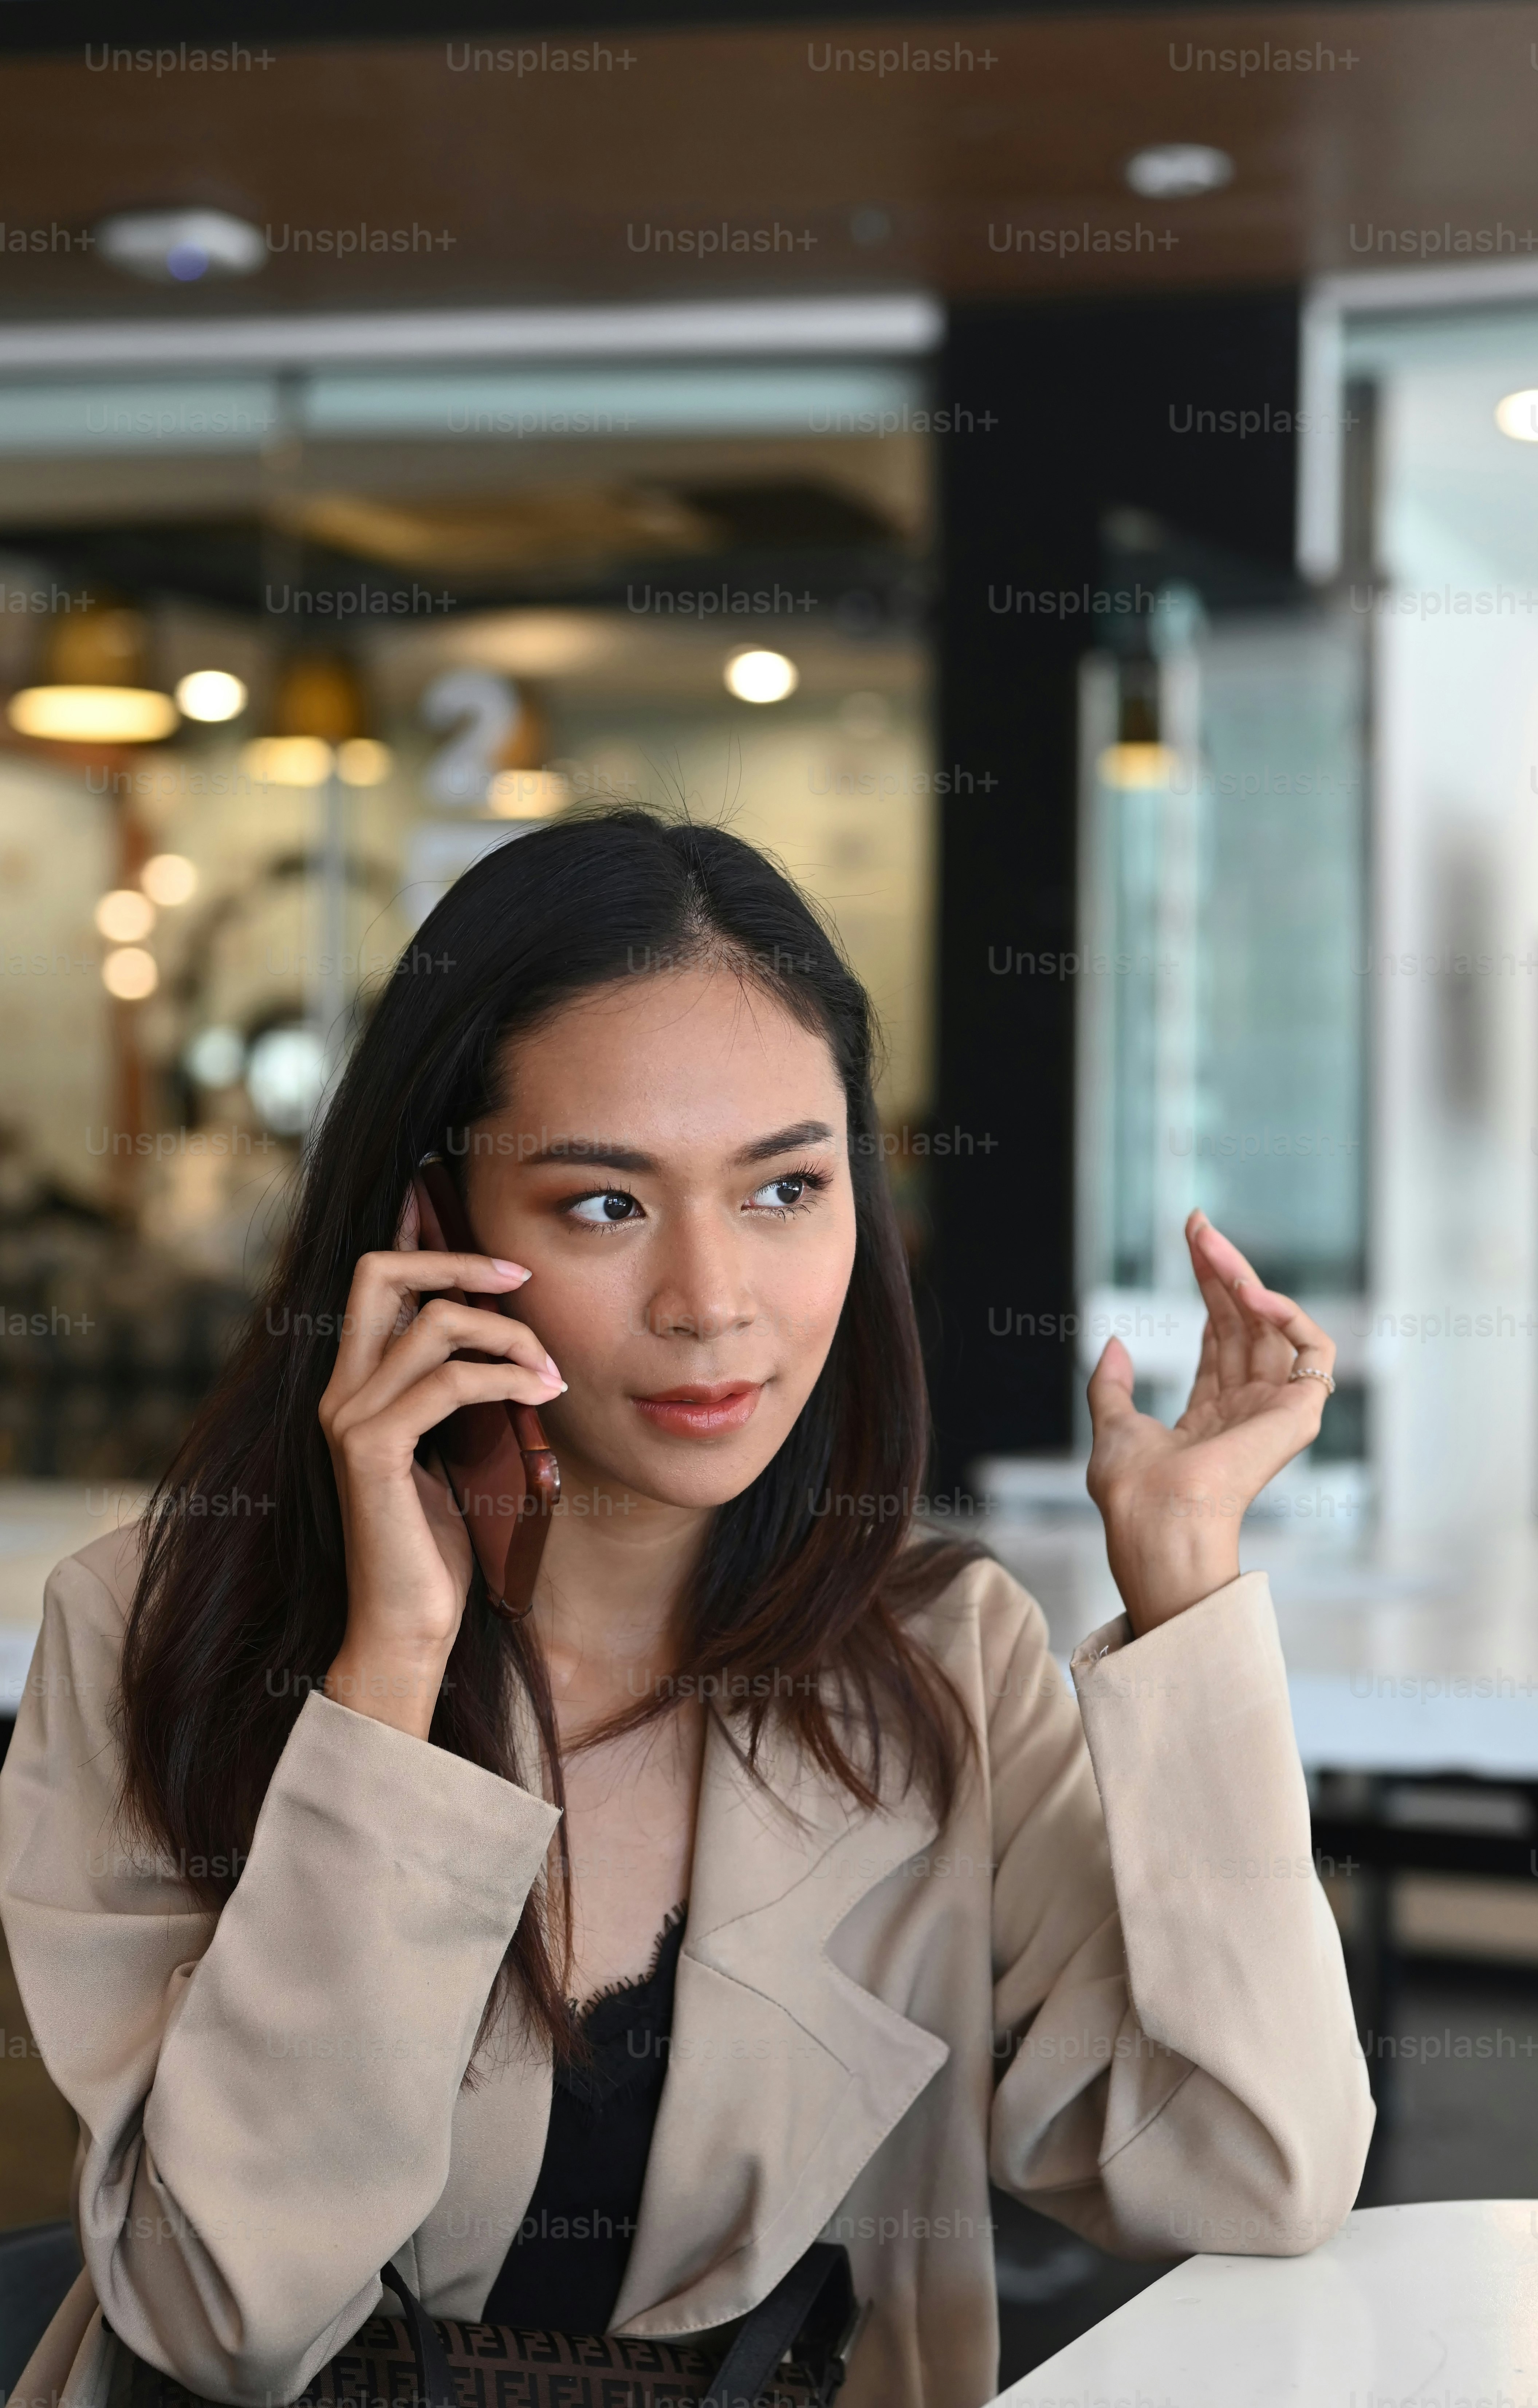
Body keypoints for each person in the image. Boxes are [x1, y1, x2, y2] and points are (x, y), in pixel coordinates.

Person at [0, 811, 1372, 2408]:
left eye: (786, 1189)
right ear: (427, 1232)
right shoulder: (158, 1628)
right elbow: (226, 2312)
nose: (713, 1301)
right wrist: (389, 1678)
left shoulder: (941, 1658)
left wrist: (1189, 1580)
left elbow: (1252, 2170)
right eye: (605, 1204)